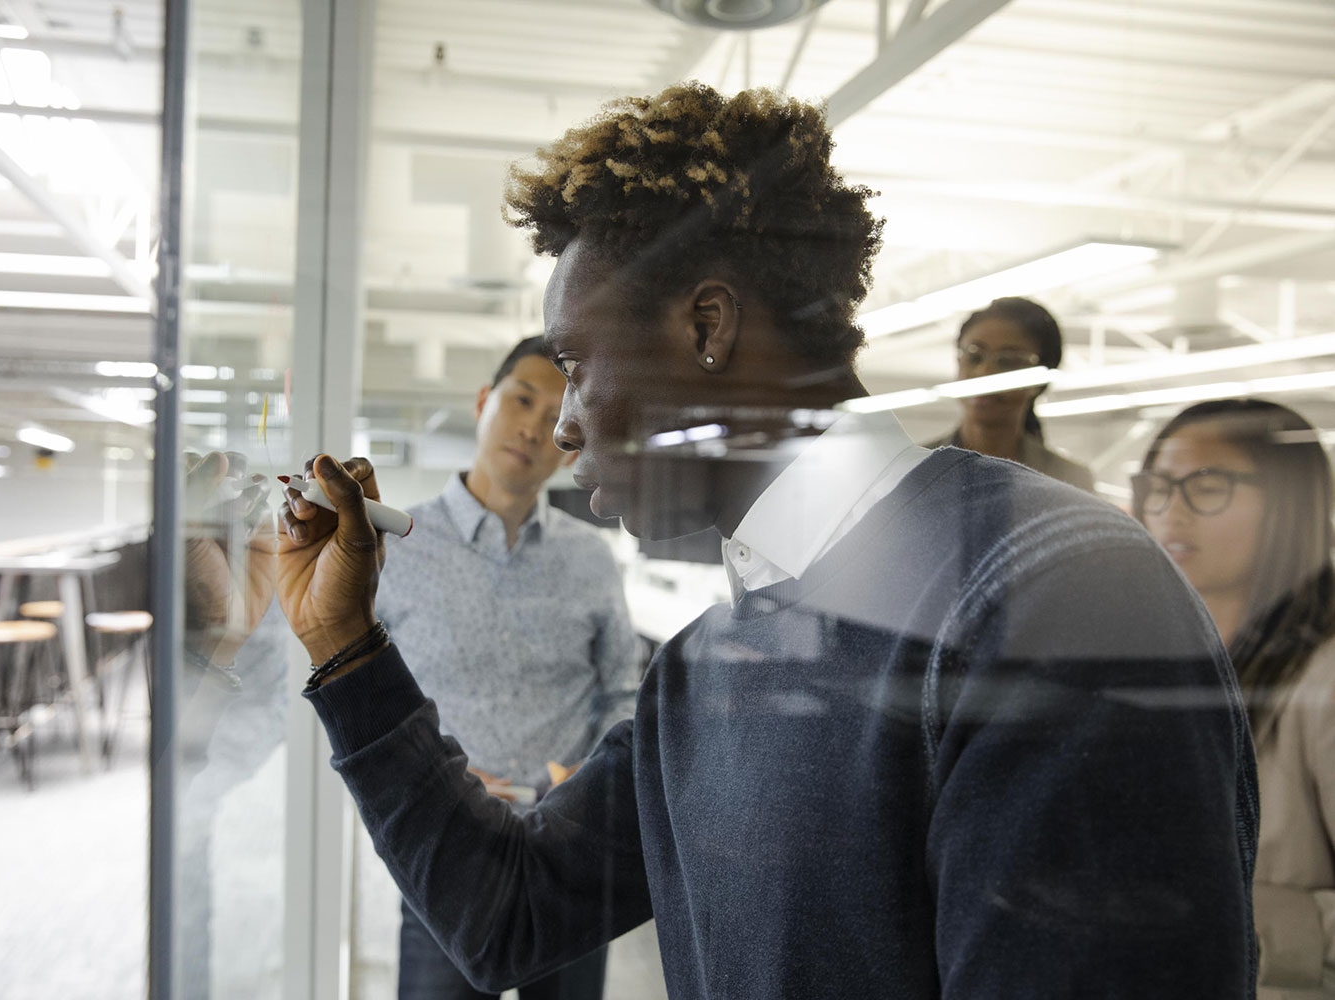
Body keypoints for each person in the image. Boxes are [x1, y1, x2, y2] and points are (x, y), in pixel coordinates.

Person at [275, 84, 1257, 999]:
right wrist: (346, 648)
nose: (566, 425)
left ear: (707, 324)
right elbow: (508, 909)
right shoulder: (706, 667)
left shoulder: (1049, 591)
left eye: (580, 362)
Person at [356, 335, 639, 1000]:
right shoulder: (397, 546)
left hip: (566, 849)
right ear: (484, 403)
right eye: (521, 400)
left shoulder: (591, 559)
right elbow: (372, 704)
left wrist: (581, 779)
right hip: (446, 849)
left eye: (554, 417)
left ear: (571, 440)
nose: (533, 428)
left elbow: (623, 688)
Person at [1134, 399, 1335, 999]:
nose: (1171, 510)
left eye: (1207, 485)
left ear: (1288, 501)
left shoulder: (1322, 678)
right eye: (1159, 486)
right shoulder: (1152, 655)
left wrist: (1220, 917)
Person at [928, 296, 1094, 492]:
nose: (984, 373)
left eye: (1007, 361)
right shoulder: (915, 469)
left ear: (1041, 378)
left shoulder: (1069, 480)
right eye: (974, 356)